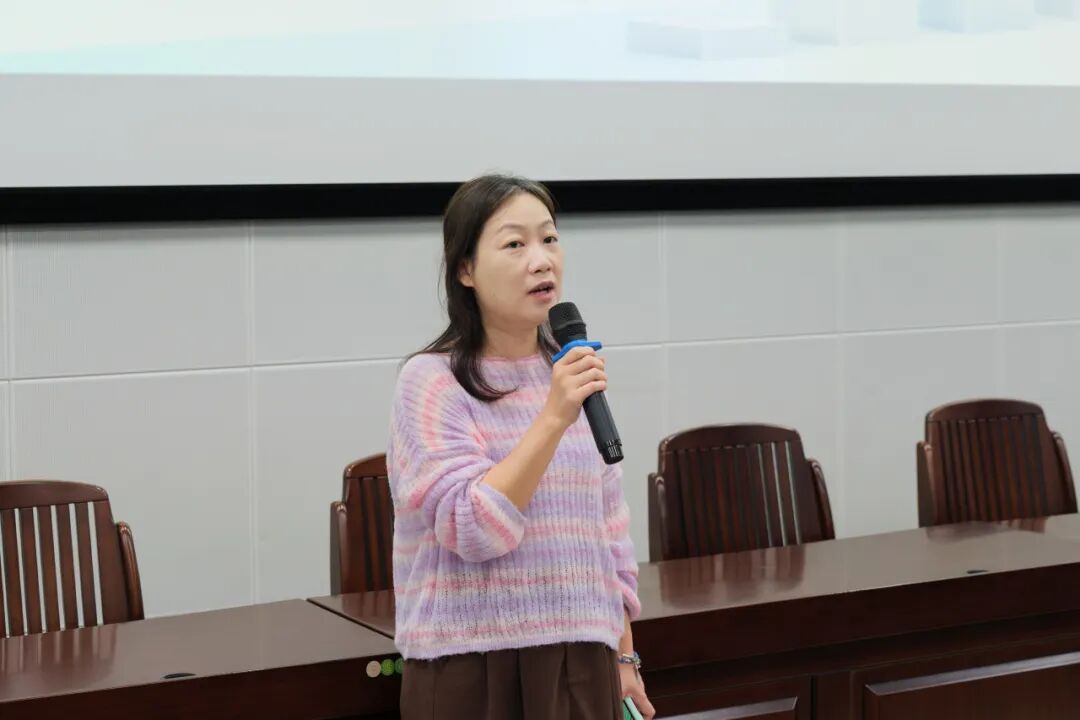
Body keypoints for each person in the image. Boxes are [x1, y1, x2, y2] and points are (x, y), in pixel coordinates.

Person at [388, 174, 655, 719]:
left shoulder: (570, 371)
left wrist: (625, 654)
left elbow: (608, 531)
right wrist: (553, 417)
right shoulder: (431, 382)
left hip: (584, 659)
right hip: (471, 667)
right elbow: (472, 529)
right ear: (465, 269)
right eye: (515, 244)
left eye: (549, 239)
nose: (541, 260)